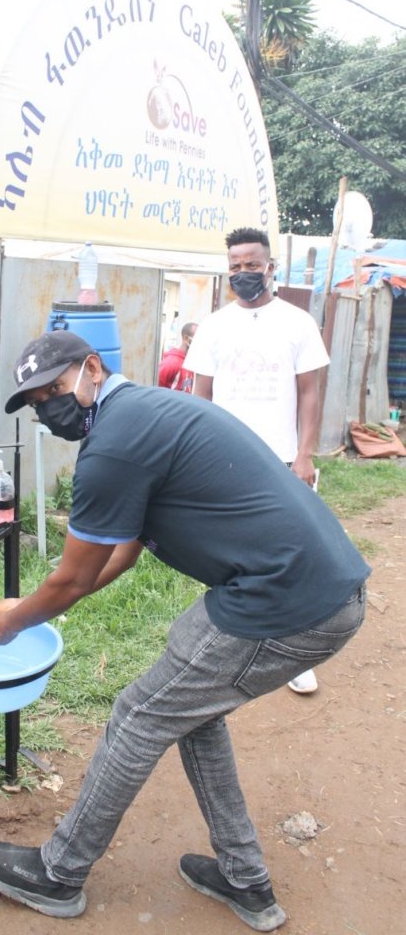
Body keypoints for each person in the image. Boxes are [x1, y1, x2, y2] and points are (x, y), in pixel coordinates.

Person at [0, 328, 369, 930]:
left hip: (283, 601)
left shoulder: (115, 446)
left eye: (51, 392)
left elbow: (74, 580)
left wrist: (11, 623)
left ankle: (59, 873)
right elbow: (117, 554)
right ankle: (245, 879)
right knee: (191, 711)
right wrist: (34, 606)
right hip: (315, 589)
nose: (47, 410)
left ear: (91, 369)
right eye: (35, 402)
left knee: (140, 714)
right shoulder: (138, 418)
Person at [184, 227, 331, 696]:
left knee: (293, 557)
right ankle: (236, 650)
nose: (243, 273)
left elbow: (311, 394)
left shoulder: (297, 323)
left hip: (284, 460)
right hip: (225, 462)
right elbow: (199, 398)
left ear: (271, 268)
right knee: (231, 560)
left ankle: (296, 657)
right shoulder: (213, 326)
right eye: (235, 266)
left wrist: (305, 455)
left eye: (252, 265)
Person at [158, 321, 197, 391]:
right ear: (185, 338)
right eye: (198, 338)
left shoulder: (192, 363)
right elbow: (156, 390)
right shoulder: (170, 363)